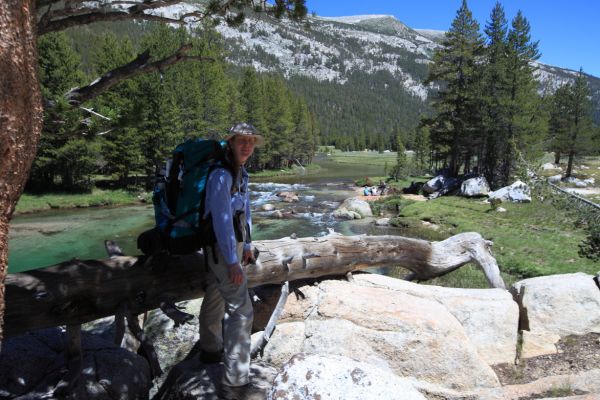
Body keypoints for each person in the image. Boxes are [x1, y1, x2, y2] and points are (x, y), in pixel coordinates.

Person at [198, 122, 263, 396]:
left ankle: (210, 350)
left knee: (215, 292)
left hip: (230, 247)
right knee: (241, 310)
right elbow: (222, 221)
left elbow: (244, 209)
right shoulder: (221, 175)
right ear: (231, 143)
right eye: (242, 141)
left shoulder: (241, 172)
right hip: (222, 249)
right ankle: (236, 378)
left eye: (251, 141)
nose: (247, 145)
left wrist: (247, 243)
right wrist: (232, 261)